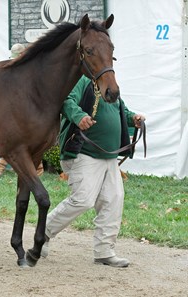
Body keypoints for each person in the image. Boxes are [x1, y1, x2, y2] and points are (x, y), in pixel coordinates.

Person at [41, 75, 145, 268]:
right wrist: (79, 116)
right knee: (83, 199)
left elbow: (120, 110)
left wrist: (133, 118)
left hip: (109, 156)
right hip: (84, 153)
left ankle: (104, 252)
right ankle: (43, 233)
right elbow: (66, 100)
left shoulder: (109, 83)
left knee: (113, 199)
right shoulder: (82, 80)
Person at [0, 43, 44, 177]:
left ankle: (39, 169)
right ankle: (0, 168)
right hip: (17, 110)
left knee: (26, 141)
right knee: (14, 140)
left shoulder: (31, 69)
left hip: (28, 111)